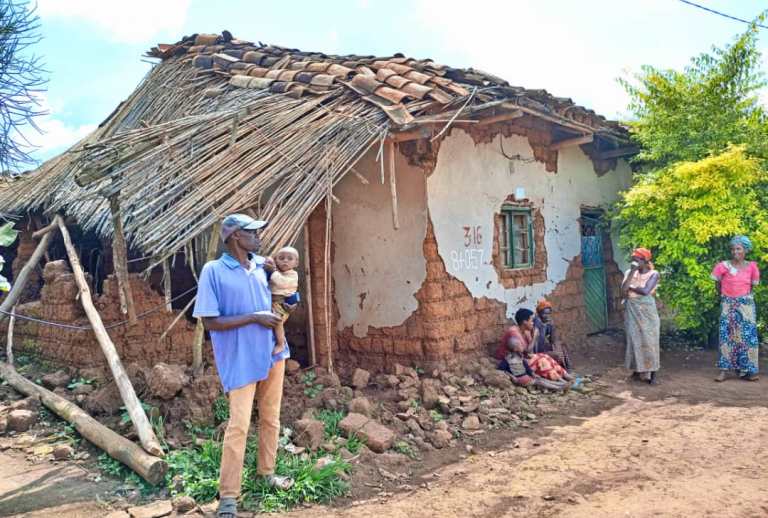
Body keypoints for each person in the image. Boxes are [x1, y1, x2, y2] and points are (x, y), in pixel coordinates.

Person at [193, 214, 294, 518]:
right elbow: (210, 320)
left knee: (271, 418)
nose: (259, 238)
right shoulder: (214, 271)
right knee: (238, 426)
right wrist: (254, 317)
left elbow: (283, 294)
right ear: (236, 236)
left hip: (273, 354)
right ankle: (228, 497)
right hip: (239, 358)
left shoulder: (263, 266)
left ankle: (266, 473)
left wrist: (287, 301)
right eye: (253, 233)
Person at [712, 235, 760, 382]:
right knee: (726, 336)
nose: (735, 252)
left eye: (738, 248)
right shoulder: (723, 266)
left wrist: (742, 299)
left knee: (747, 337)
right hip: (728, 304)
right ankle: (723, 371)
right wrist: (726, 297)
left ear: (745, 250)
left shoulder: (752, 267)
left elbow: (752, 286)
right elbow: (718, 284)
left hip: (746, 306)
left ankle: (747, 370)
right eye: (733, 249)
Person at [497, 308, 574, 391]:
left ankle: (566, 377)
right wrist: (534, 337)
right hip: (517, 358)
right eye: (531, 321)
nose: (533, 323)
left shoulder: (526, 331)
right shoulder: (514, 332)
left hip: (522, 357)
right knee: (542, 361)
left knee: (545, 356)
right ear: (524, 322)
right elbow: (525, 351)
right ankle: (560, 381)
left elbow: (530, 351)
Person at [621, 247, 661, 385]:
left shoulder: (654, 274)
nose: (634, 262)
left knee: (650, 341)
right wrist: (632, 271)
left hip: (647, 311)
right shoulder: (629, 272)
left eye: (637, 260)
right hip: (632, 309)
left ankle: (652, 374)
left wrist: (631, 288)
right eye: (633, 259)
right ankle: (636, 371)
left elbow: (645, 291)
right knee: (634, 340)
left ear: (644, 261)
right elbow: (622, 290)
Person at [269, 246, 300, 355]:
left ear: (296, 263)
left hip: (282, 304)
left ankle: (280, 344)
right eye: (281, 258)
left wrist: (273, 270)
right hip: (273, 302)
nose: (285, 260)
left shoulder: (293, 274)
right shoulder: (277, 271)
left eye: (289, 258)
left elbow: (280, 282)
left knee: (277, 321)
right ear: (275, 260)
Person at [532, 299, 572, 370]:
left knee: (562, 347)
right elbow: (536, 343)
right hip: (536, 351)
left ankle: (567, 368)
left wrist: (552, 327)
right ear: (539, 314)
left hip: (543, 347)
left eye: (549, 314)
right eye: (544, 314)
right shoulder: (536, 322)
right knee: (556, 355)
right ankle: (562, 370)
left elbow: (553, 340)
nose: (547, 316)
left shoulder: (548, 322)